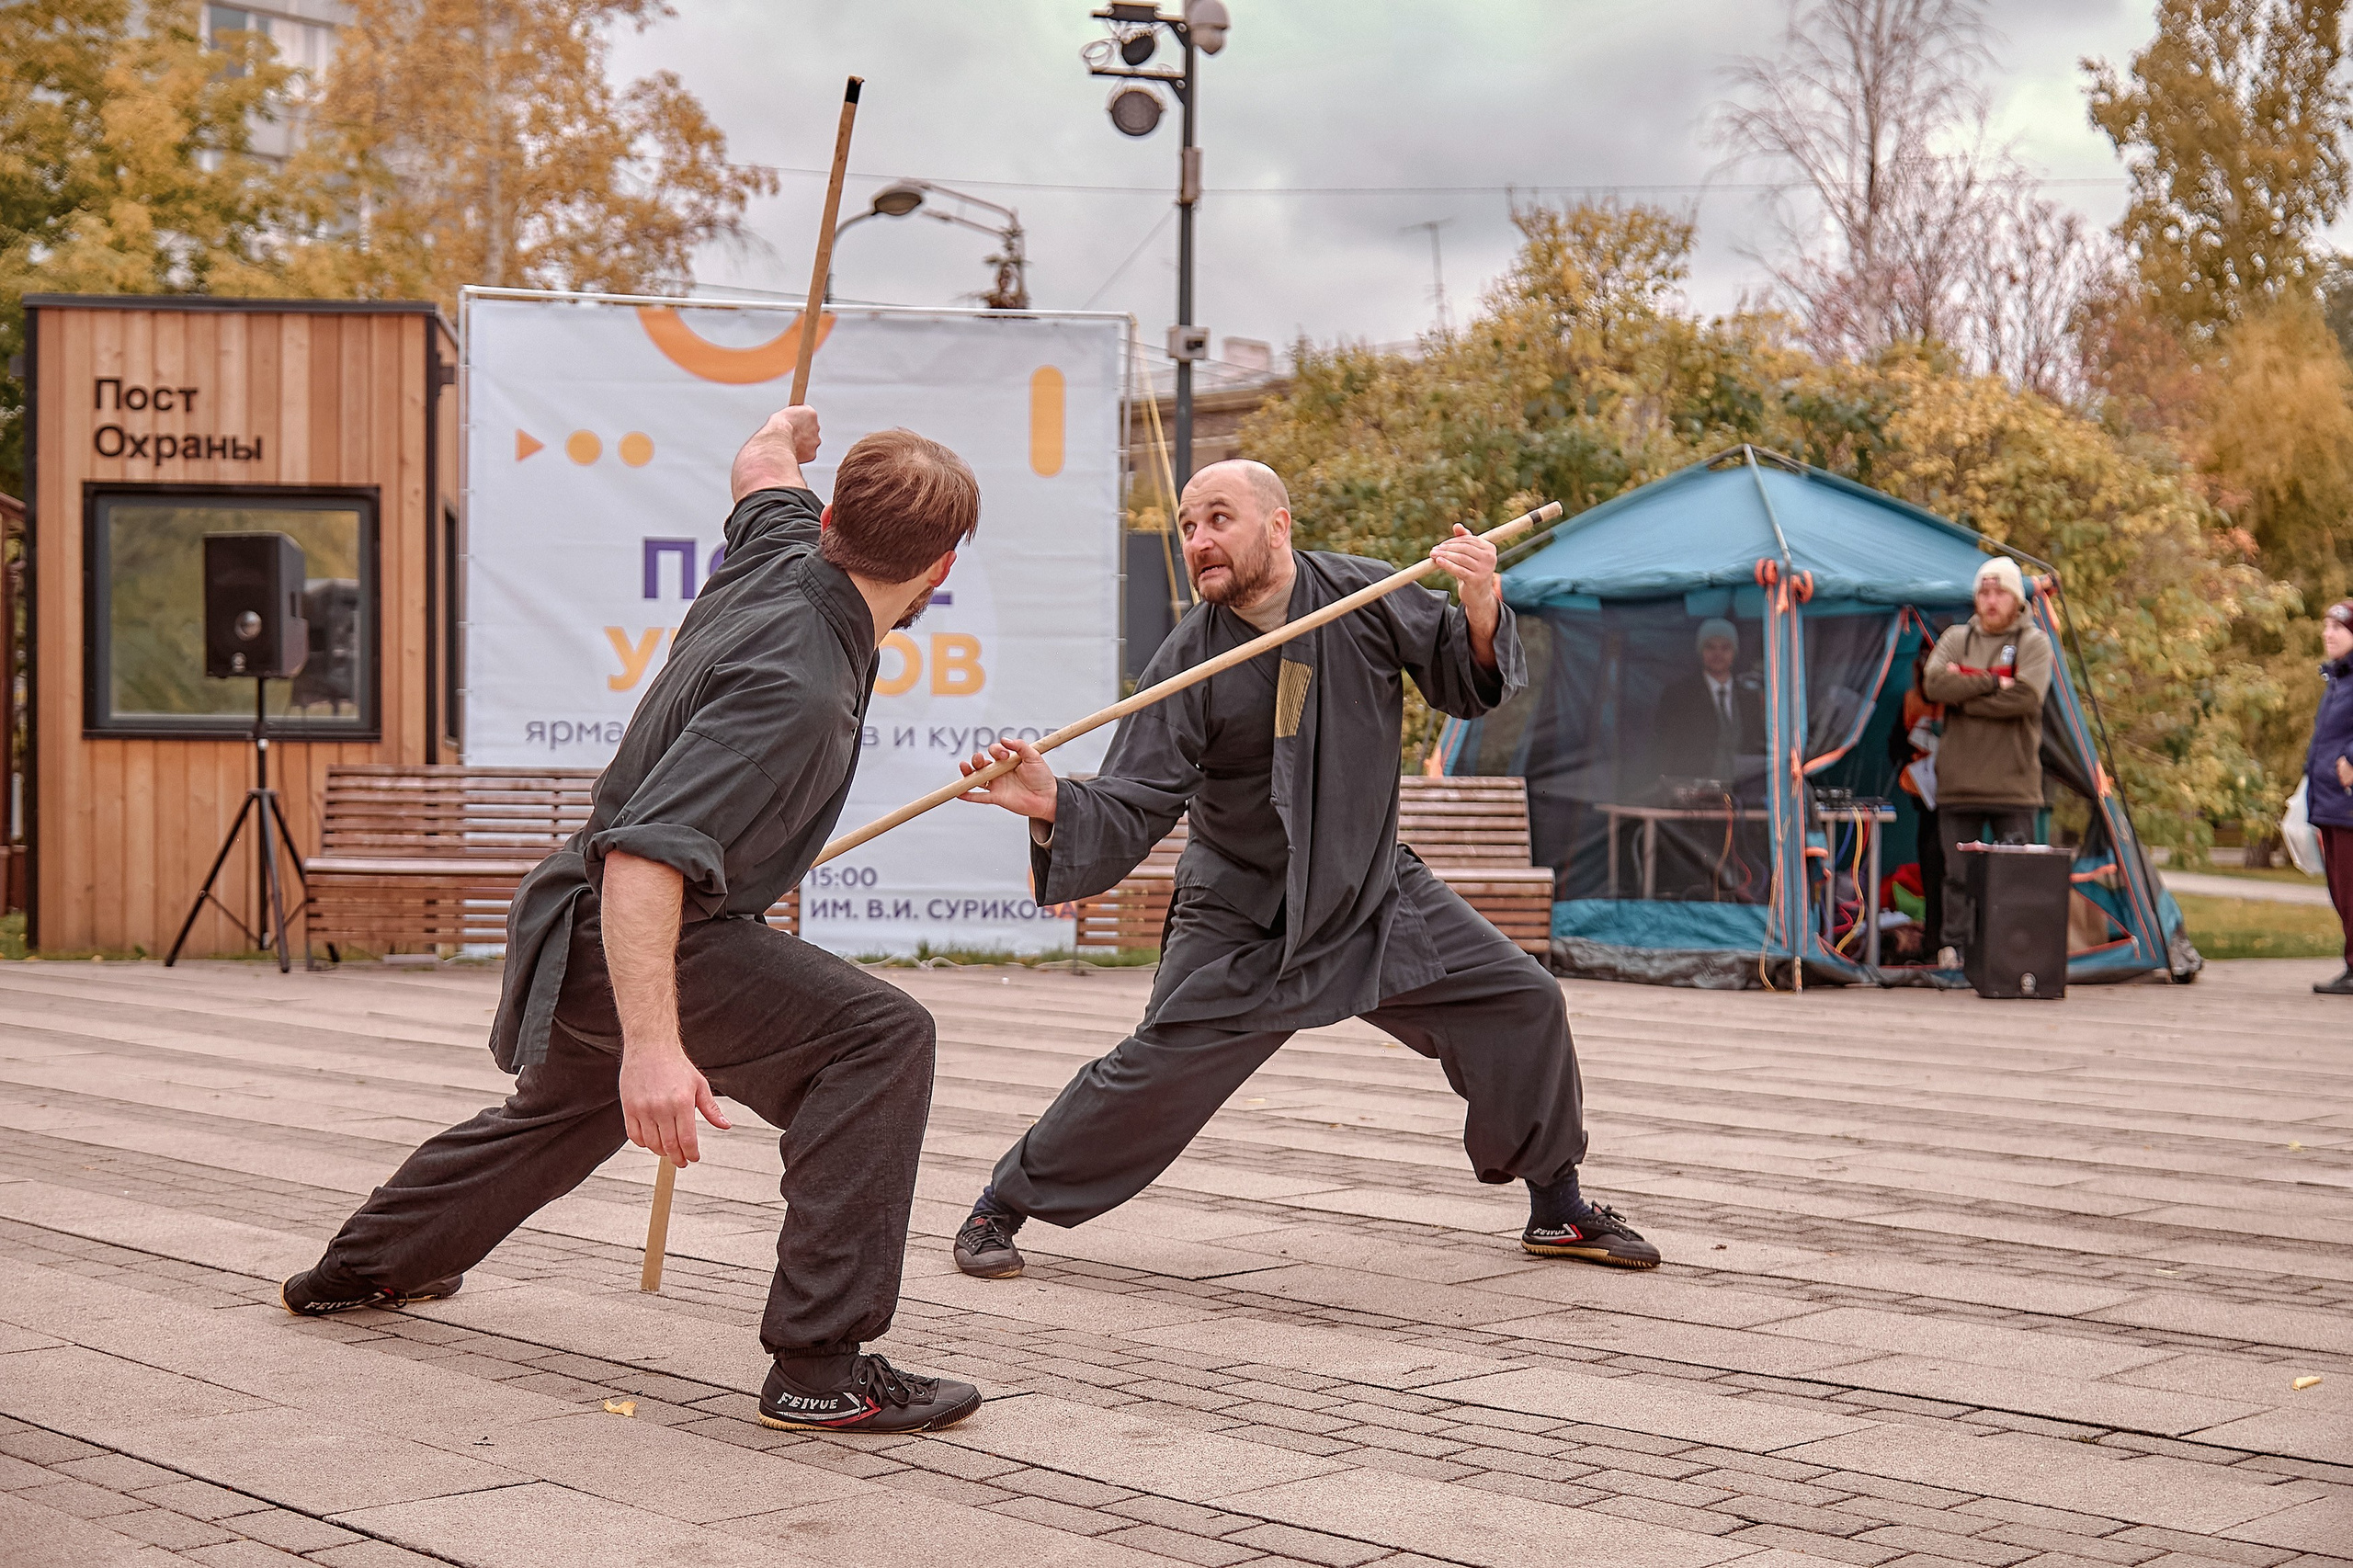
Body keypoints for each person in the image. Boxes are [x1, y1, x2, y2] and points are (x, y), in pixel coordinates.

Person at [277, 409, 987, 1434]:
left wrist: (784, 426)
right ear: (943, 565)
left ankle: (360, 1268)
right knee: (879, 1038)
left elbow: (757, 461)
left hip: (590, 933)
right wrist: (655, 1051)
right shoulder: (794, 682)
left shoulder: (779, 550)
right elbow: (646, 857)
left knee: (558, 1118)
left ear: (828, 516)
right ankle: (819, 1368)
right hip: (640, 925)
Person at [949, 460, 1659, 1283]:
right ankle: (1001, 1202)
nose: (1199, 540)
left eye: (1219, 518)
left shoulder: (1363, 594)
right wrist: (1051, 804)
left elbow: (1463, 680)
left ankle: (1558, 1206)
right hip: (1244, 909)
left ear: (1277, 525)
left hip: (1369, 887)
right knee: (1157, 1065)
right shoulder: (1189, 662)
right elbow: (1137, 794)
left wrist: (1479, 604)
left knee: (1522, 1000)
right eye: (1187, 526)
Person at [1920, 556, 2053, 969]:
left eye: (2000, 593)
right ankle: (1954, 950)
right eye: (1984, 592)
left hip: (2014, 785)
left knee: (2016, 879)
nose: (1991, 600)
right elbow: (1935, 683)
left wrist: (1965, 692)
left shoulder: (2034, 642)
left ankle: (2013, 955)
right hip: (1959, 783)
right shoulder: (1956, 637)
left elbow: (2028, 698)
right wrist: (1996, 679)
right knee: (1956, 876)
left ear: (2016, 599)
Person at [2303, 599, 2353, 994]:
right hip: (2330, 802)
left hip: (2349, 801)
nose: (2328, 633)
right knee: (2341, 890)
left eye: (2337, 627)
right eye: (2326, 626)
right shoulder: (2338, 680)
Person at [1887, 643, 1946, 961]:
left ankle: (1956, 940)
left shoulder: (1961, 696)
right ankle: (1934, 942)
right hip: (1925, 798)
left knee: (1958, 872)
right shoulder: (1911, 700)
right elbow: (1894, 744)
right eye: (1924, 654)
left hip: (1959, 795)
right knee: (1931, 867)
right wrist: (1912, 760)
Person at [1656, 619, 1766, 786]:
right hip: (1693, 793)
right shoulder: (1679, 695)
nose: (1718, 654)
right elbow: (1665, 747)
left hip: (1742, 790)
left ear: (1734, 652)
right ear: (1701, 651)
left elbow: (1756, 747)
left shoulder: (1749, 697)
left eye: (1725, 647)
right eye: (1710, 647)